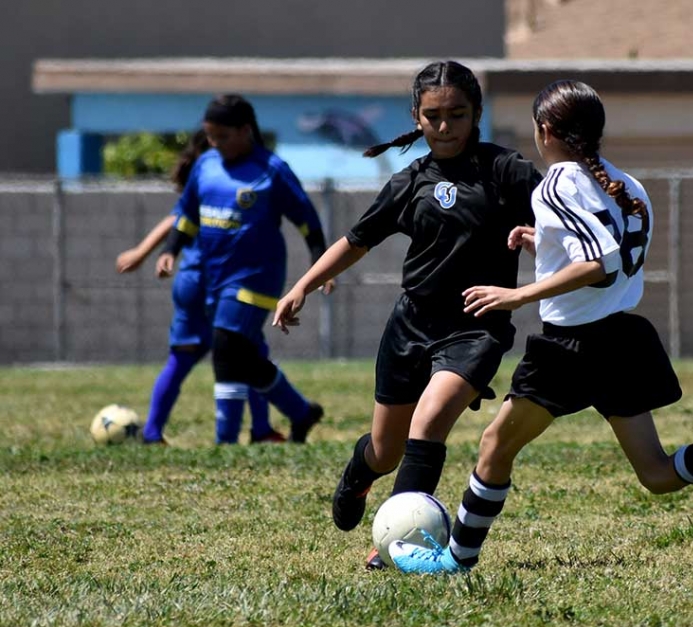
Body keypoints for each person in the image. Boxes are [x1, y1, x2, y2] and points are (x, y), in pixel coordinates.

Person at [389, 80, 693, 575]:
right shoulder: (627, 186)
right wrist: (545, 243)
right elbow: (605, 254)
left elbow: (599, 261)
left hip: (572, 347)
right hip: (622, 339)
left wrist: (518, 294)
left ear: (544, 130)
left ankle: (455, 561)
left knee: (494, 446)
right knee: (656, 473)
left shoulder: (557, 183)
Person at [273, 60, 543, 569]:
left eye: (457, 115)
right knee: (385, 450)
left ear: (477, 114)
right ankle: (359, 473)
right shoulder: (410, 180)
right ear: (416, 118)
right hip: (411, 325)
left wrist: (540, 244)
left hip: (475, 325)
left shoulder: (507, 170)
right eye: (434, 116)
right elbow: (357, 240)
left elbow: (560, 226)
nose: (445, 127)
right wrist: (303, 285)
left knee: (430, 420)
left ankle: (396, 543)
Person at [160, 94, 329, 445]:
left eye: (222, 136)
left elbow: (307, 220)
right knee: (245, 356)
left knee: (225, 346)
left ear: (245, 130)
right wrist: (170, 250)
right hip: (214, 277)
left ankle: (225, 440)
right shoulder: (206, 165)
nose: (214, 143)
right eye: (209, 135)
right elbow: (188, 215)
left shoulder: (272, 170)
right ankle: (300, 411)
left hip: (256, 276)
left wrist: (320, 261)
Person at [116, 130, 280, 444]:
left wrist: (144, 252)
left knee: (186, 358)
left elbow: (176, 219)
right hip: (209, 282)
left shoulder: (209, 179)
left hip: (192, 281)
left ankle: (153, 430)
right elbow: (175, 220)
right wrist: (143, 251)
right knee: (248, 355)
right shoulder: (220, 182)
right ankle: (261, 429)